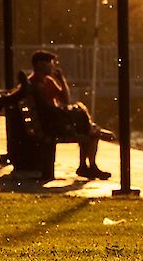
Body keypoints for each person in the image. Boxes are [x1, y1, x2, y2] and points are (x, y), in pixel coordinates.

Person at [29, 51, 110, 179]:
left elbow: (65, 100)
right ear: (40, 65)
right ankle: (88, 166)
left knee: (87, 126)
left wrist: (61, 80)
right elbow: (49, 109)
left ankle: (86, 165)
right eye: (50, 64)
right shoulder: (34, 84)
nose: (52, 67)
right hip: (51, 125)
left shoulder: (48, 81)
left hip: (54, 121)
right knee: (90, 129)